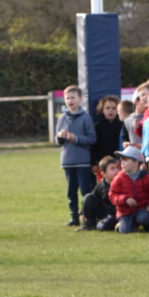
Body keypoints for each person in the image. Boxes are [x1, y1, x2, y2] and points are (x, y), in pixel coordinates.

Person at [53, 85, 96, 226]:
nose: (70, 100)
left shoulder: (86, 118)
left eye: (73, 97)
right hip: (67, 161)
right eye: (67, 98)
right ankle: (74, 217)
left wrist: (75, 138)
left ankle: (87, 217)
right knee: (71, 192)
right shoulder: (62, 118)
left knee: (85, 190)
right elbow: (57, 141)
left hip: (82, 161)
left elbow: (92, 139)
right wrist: (60, 136)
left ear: (80, 99)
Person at [108, 146, 149, 233]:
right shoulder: (118, 178)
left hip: (142, 209)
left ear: (136, 162)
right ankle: (122, 225)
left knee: (145, 218)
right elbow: (112, 195)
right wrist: (125, 199)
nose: (122, 163)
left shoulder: (147, 178)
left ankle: (141, 224)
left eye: (125, 160)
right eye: (121, 160)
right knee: (125, 231)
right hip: (125, 211)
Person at [79, 155, 120, 231]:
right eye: (112, 169)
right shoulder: (100, 185)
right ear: (103, 174)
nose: (116, 170)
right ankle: (88, 224)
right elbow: (91, 198)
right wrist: (82, 213)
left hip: (116, 213)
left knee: (103, 227)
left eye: (117, 168)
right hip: (104, 212)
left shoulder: (121, 183)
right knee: (88, 197)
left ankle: (102, 223)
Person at [91, 95, 122, 177]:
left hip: (118, 163)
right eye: (107, 108)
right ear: (102, 110)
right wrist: (94, 163)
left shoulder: (122, 125)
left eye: (114, 108)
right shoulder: (97, 126)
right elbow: (93, 146)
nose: (110, 111)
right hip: (102, 164)